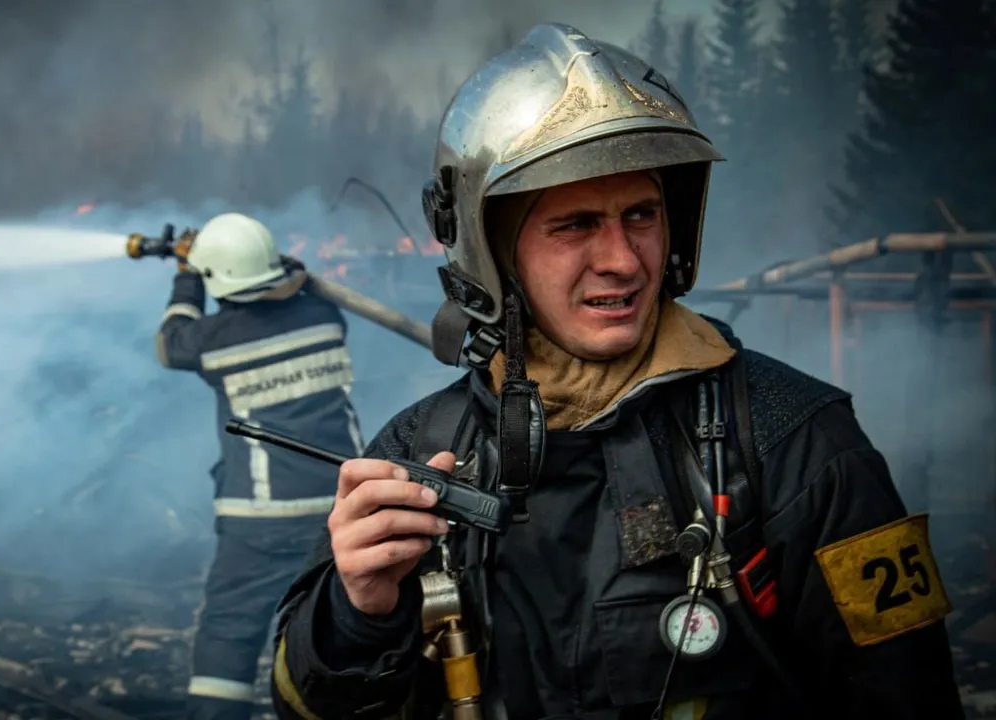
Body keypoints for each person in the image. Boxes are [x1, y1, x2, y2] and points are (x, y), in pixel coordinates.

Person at [269, 23, 965, 720]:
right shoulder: (419, 453)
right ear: (493, 253)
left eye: (641, 215)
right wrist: (356, 610)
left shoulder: (803, 446)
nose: (624, 260)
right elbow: (303, 704)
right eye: (573, 225)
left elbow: (909, 694)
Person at [155, 212, 365, 720]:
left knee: (230, 629)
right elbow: (292, 288)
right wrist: (282, 273)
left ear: (216, 279)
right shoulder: (324, 319)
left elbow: (171, 342)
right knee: (334, 632)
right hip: (340, 509)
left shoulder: (215, 341)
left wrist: (186, 276)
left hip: (260, 519)